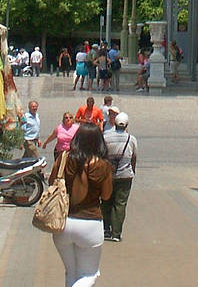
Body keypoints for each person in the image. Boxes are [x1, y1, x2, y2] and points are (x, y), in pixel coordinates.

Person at [51, 121, 112, 287]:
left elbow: (51, 183)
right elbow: (106, 196)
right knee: (89, 275)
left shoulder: (63, 158)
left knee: (71, 272)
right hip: (90, 223)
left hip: (63, 222)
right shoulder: (103, 165)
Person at [101, 107, 136, 242]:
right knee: (120, 203)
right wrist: (132, 170)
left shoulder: (106, 137)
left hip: (108, 175)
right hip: (125, 175)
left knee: (106, 201)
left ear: (114, 124)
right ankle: (116, 233)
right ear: (127, 125)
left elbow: (102, 155)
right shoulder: (131, 139)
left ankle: (106, 229)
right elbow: (134, 158)